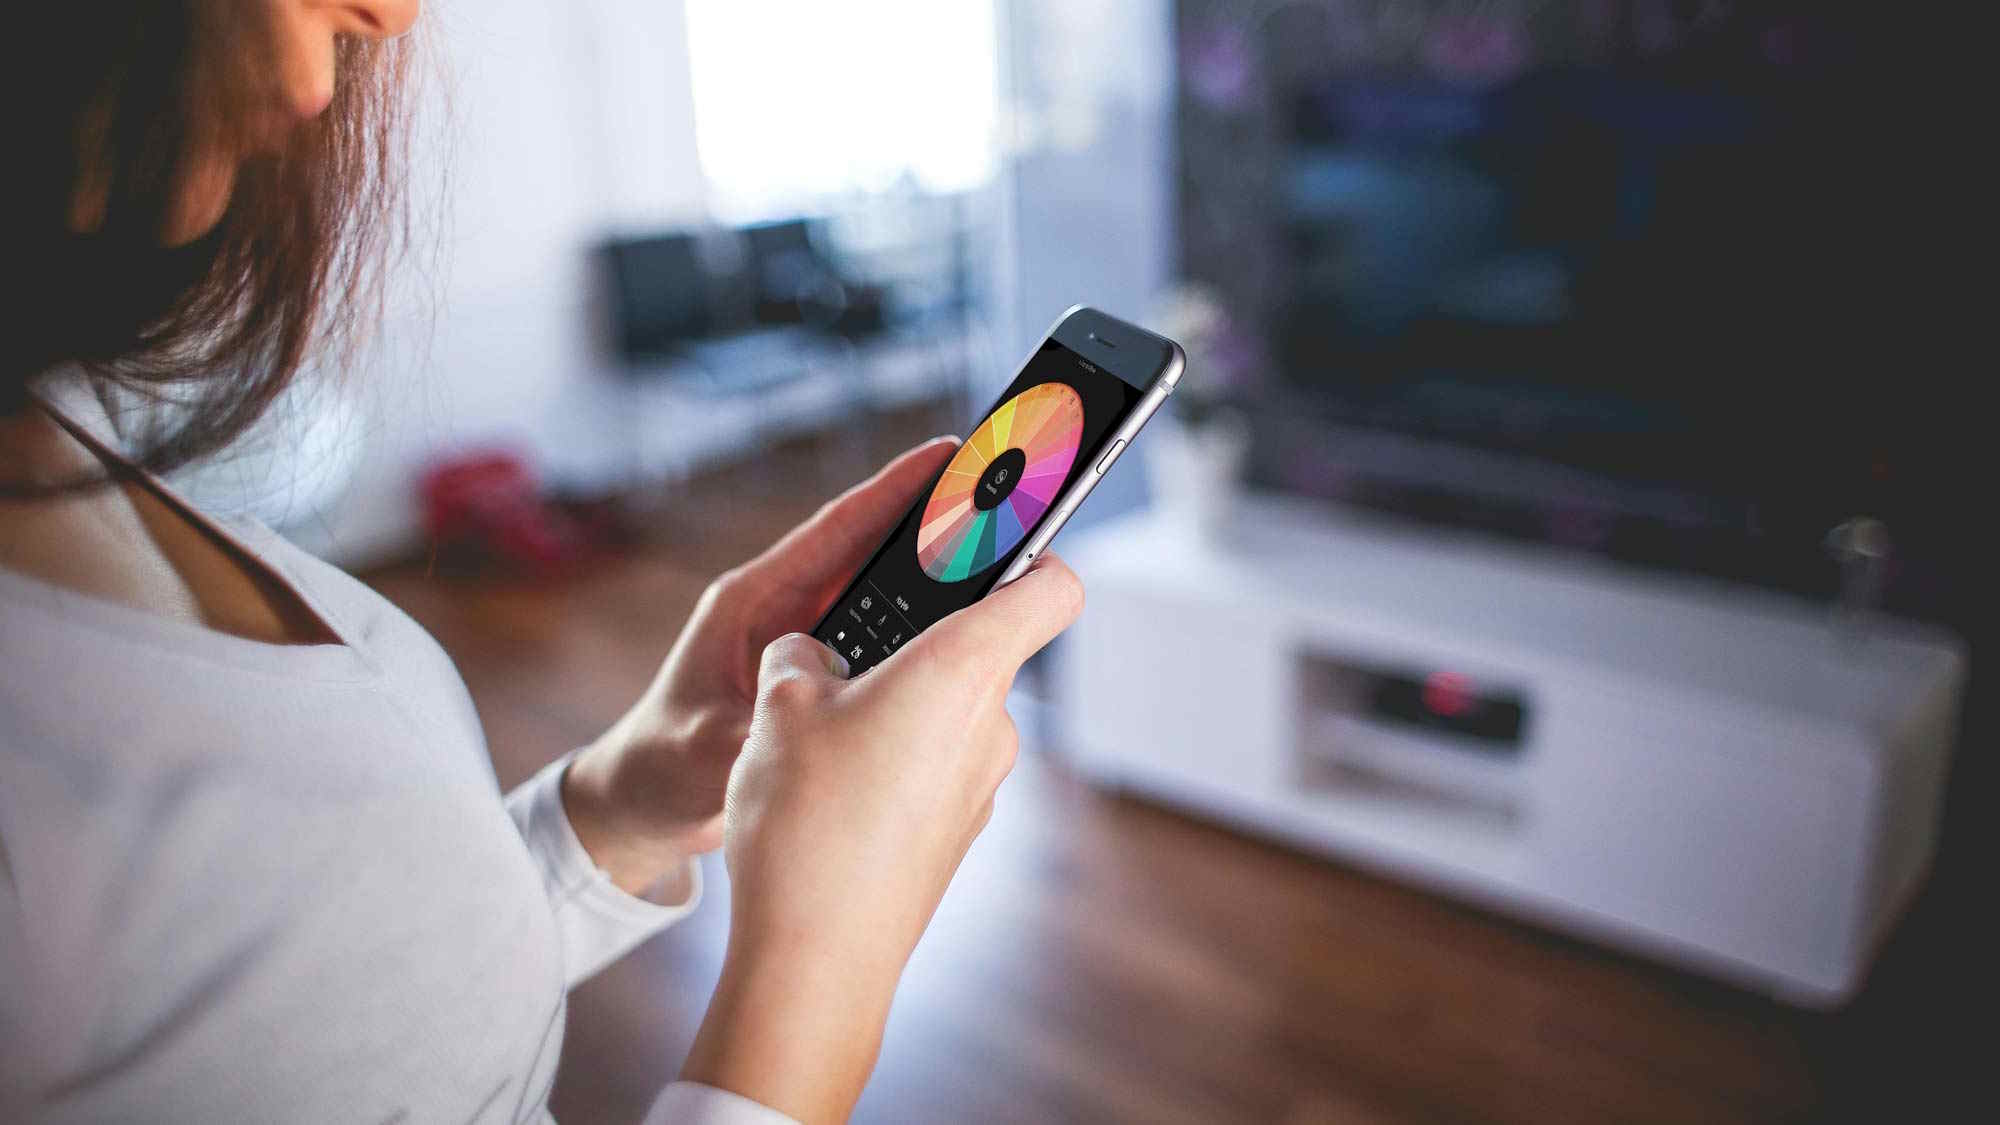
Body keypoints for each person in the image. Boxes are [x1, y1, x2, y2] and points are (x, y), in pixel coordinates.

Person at [0, 4, 1082, 1122]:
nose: (392, 13)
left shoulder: (56, 430)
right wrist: (825, 954)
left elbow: (337, 1009)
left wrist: (626, 801)